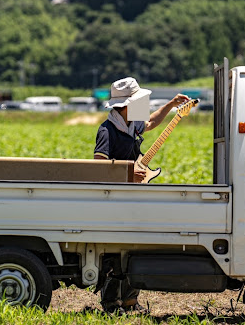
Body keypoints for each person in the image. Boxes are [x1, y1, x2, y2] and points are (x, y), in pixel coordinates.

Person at [93, 77, 188, 313]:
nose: (142, 105)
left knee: (134, 250)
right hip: (115, 200)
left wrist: (171, 104)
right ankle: (110, 303)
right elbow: (99, 167)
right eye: (138, 101)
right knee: (115, 253)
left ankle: (130, 300)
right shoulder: (107, 130)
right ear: (126, 105)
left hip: (134, 196)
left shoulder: (132, 123)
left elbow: (151, 122)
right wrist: (127, 171)